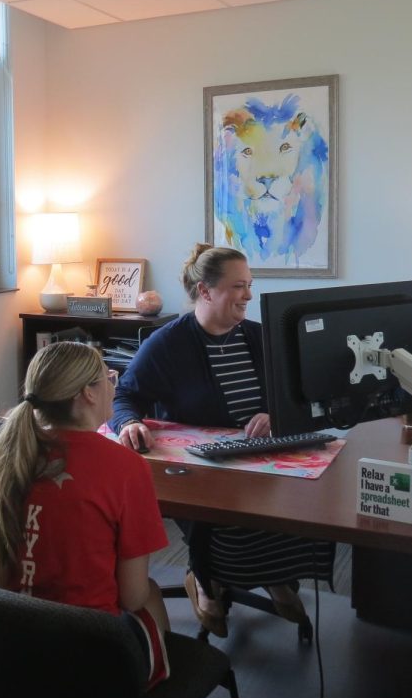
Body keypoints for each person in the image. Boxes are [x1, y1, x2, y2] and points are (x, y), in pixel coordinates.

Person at [110, 243, 333, 638]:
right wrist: (127, 422)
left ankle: (276, 576)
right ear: (206, 291)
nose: (249, 295)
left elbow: (299, 393)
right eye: (238, 287)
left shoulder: (259, 337)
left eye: (249, 285)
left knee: (295, 505)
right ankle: (207, 579)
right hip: (198, 467)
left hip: (260, 457)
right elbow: (126, 395)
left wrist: (276, 413)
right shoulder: (167, 344)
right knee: (229, 517)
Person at [0, 341, 172, 686]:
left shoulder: (3, 460)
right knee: (149, 591)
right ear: (87, 395)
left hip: (10, 650)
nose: (114, 384)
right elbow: (132, 596)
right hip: (86, 658)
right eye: (108, 377)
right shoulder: (125, 468)